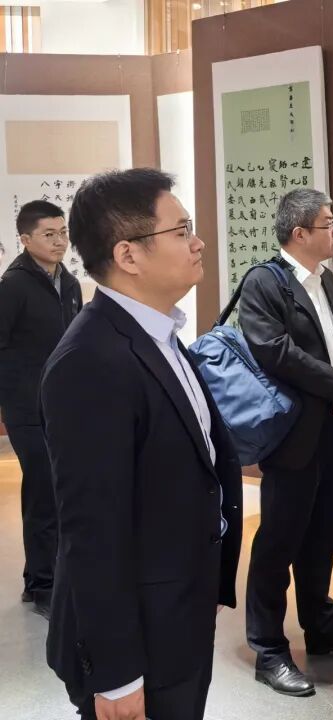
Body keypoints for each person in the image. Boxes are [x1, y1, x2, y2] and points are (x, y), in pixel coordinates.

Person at [39, 168, 243, 719]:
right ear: (128, 255)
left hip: (177, 609)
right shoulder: (90, 360)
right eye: (181, 231)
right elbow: (92, 530)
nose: (198, 243)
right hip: (138, 639)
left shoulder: (157, 335)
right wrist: (117, 674)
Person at [238, 188, 333, 697]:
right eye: (327, 223)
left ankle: (320, 626)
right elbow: (275, 351)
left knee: (322, 534)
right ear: (299, 233)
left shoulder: (326, 278)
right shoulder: (264, 282)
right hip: (293, 433)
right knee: (279, 539)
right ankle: (268, 648)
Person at [0, 200, 81, 620]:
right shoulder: (12, 286)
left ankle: (41, 578)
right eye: (49, 234)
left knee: (54, 490)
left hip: (63, 406)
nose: (59, 241)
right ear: (25, 239)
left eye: (63, 232)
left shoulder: (70, 283)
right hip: (26, 408)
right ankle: (43, 585)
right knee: (44, 489)